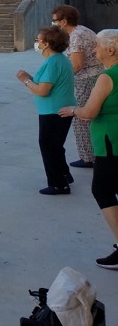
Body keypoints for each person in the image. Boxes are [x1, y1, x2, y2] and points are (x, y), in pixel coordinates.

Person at [59, 29, 118, 269]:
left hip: (110, 143)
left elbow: (90, 112)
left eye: (97, 46)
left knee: (102, 190)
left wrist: (73, 109)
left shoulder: (107, 77)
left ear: (111, 50)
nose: (94, 51)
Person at [16, 25, 76, 195]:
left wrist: (25, 81)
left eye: (39, 40)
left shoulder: (53, 62)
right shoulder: (60, 60)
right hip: (58, 108)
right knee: (56, 145)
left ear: (47, 43)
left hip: (53, 111)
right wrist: (31, 78)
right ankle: (64, 174)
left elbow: (43, 91)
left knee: (49, 146)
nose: (37, 42)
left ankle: (58, 184)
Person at [52, 5, 103, 168]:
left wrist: (61, 80)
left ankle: (88, 157)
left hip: (86, 79)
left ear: (64, 21)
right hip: (95, 76)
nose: (53, 24)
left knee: (81, 118)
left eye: (55, 21)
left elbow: (77, 64)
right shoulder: (83, 30)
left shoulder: (76, 37)